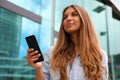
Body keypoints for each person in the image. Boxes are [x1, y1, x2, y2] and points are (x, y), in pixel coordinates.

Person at [26, 4, 108, 80]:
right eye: (65, 17)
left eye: (74, 14)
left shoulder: (99, 55)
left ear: (84, 20)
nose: (68, 19)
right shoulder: (52, 52)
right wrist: (39, 68)